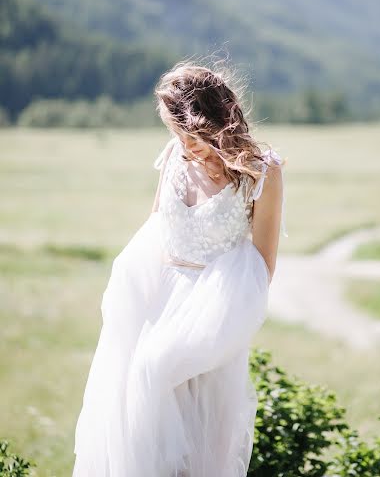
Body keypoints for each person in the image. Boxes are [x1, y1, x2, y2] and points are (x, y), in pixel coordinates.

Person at [72, 60, 288, 477]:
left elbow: (263, 264)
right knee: (140, 426)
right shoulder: (174, 156)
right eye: (176, 133)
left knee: (201, 439)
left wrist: (215, 329)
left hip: (215, 311)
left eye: (191, 133)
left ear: (214, 120)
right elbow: (156, 228)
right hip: (155, 304)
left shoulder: (262, 171)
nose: (185, 144)